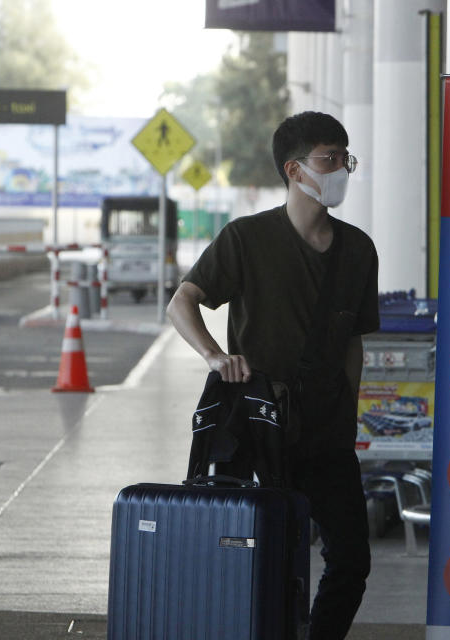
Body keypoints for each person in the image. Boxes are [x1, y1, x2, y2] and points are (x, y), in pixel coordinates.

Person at [167, 111, 379, 640]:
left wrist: (349, 413)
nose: (341, 169)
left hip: (328, 432)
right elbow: (182, 302)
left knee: (351, 562)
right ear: (294, 169)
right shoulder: (247, 238)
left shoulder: (358, 251)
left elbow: (354, 342)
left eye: (345, 157)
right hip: (258, 431)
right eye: (330, 159)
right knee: (263, 559)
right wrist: (217, 357)